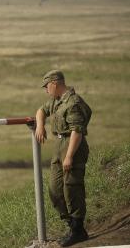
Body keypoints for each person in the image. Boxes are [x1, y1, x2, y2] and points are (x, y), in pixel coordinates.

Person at [35, 70, 92, 247]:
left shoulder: (73, 103)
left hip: (72, 146)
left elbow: (77, 132)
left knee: (72, 188)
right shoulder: (57, 101)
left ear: (55, 83)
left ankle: (78, 230)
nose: (46, 90)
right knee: (55, 189)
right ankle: (70, 225)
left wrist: (69, 156)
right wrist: (40, 126)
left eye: (46, 86)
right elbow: (41, 110)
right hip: (59, 146)